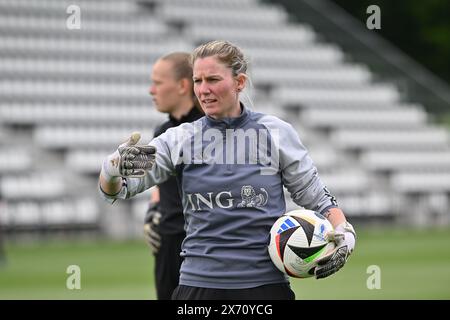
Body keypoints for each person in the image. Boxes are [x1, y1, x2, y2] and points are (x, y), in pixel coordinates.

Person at [99, 40, 356, 300]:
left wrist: (345, 233)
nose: (203, 89)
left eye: (212, 79)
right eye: (198, 81)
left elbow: (315, 197)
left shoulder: (276, 132)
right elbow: (118, 190)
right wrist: (111, 170)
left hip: (264, 288)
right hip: (198, 288)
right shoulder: (178, 138)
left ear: (239, 82)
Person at [143, 52, 203, 300]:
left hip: (201, 245)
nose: (151, 90)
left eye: (158, 82)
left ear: (182, 86)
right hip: (167, 246)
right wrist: (153, 209)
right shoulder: (163, 131)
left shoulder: (207, 128)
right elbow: (161, 180)